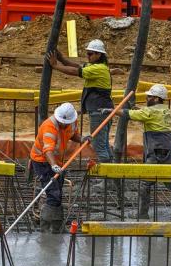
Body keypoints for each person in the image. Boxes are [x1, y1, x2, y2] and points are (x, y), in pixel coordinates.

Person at [108, 84, 171, 219]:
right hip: (169, 151)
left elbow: (129, 114)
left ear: (157, 99)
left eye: (150, 96)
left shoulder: (151, 112)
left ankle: (142, 213)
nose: (147, 98)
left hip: (158, 152)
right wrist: (138, 110)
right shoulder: (164, 109)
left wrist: (113, 111)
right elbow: (145, 114)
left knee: (145, 183)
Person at [46, 39, 114, 163]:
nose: (88, 56)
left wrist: (56, 66)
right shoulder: (96, 66)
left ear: (99, 55)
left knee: (99, 147)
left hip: (99, 112)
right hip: (102, 111)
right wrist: (61, 58)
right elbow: (77, 66)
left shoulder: (98, 69)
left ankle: (106, 180)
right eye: (87, 53)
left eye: (90, 54)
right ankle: (112, 177)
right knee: (103, 145)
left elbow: (75, 71)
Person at [30, 102, 89, 232]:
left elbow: (73, 135)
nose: (64, 125)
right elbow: (48, 150)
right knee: (53, 193)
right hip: (42, 161)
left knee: (58, 191)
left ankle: (56, 226)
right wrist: (54, 166)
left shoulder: (71, 122)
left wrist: (82, 139)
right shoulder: (49, 127)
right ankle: (46, 228)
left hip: (58, 162)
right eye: (62, 122)